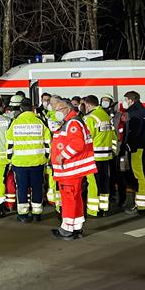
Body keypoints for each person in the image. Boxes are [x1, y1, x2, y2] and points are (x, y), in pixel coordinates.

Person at [50, 98, 96, 240]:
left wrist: (62, 155)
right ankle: (76, 227)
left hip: (70, 170)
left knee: (69, 199)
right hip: (72, 169)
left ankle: (67, 229)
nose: (56, 112)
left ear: (67, 109)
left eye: (58, 109)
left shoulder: (73, 123)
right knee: (75, 198)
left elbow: (77, 143)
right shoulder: (71, 122)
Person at [7, 98, 51, 223]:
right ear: (32, 108)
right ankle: (37, 214)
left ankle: (23, 215)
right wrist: (46, 157)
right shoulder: (40, 121)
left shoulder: (15, 122)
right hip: (37, 161)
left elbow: (9, 143)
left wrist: (9, 158)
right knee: (37, 187)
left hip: (19, 162)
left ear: (21, 108)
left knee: (21, 188)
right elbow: (48, 142)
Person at [120, 91, 145, 215]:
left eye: (126, 99)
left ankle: (141, 207)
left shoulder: (133, 113)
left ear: (130, 100)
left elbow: (133, 132)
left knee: (139, 176)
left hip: (137, 148)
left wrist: (127, 145)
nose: (125, 102)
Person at [82, 95, 115, 216]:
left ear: (88, 104)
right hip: (106, 155)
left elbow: (86, 138)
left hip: (94, 156)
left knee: (93, 183)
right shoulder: (105, 115)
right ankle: (104, 208)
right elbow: (114, 136)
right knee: (104, 182)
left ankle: (93, 210)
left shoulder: (90, 118)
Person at [100, 94, 126, 209]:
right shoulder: (101, 115)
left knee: (117, 175)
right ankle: (111, 196)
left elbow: (122, 134)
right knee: (106, 176)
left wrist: (121, 149)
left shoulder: (119, 116)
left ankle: (122, 198)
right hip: (104, 151)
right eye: (103, 100)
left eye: (107, 101)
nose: (104, 103)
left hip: (116, 151)